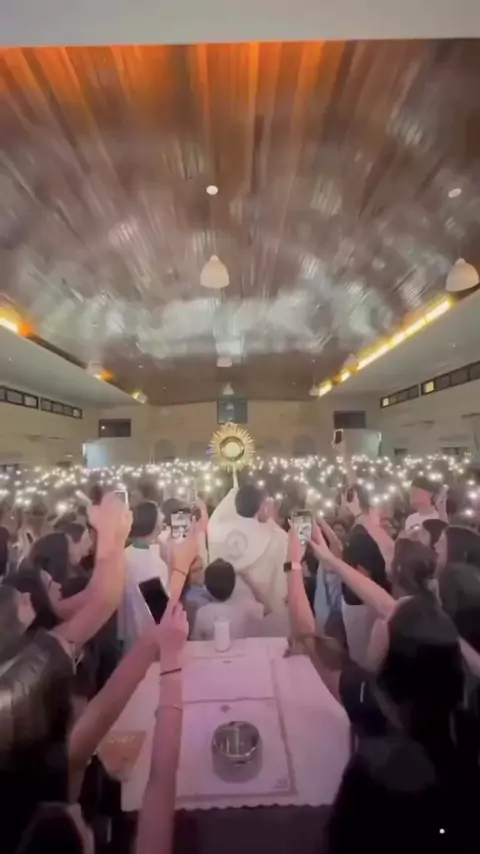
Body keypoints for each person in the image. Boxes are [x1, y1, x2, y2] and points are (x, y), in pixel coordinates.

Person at [285, 527, 480, 854]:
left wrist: (292, 565)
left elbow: (307, 635)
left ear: (394, 652)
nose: (381, 617)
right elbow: (388, 604)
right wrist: (329, 558)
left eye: (386, 623)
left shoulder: (374, 703)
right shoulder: (461, 704)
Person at [208, 484, 288, 614]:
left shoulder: (218, 528)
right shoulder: (274, 536)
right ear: (260, 505)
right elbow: (281, 578)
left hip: (221, 604)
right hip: (256, 606)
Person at [191, 559, 266, 641]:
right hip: (241, 649)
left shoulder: (202, 613)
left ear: (207, 586)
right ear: (233, 584)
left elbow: (196, 640)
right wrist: (248, 580)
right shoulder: (244, 607)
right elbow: (268, 609)